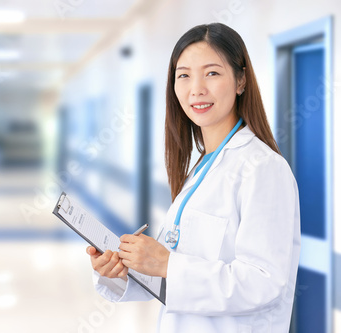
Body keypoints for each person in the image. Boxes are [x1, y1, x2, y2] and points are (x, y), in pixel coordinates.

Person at [86, 23, 300, 332]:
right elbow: (172, 282)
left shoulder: (263, 168)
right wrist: (120, 270)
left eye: (212, 73)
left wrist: (168, 263)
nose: (196, 89)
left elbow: (263, 283)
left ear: (240, 80)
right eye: (183, 75)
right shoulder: (201, 168)